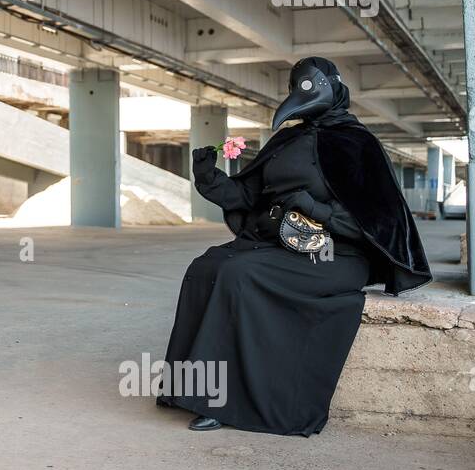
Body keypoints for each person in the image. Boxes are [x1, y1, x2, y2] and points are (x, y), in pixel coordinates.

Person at [157, 57, 431, 436]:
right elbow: (248, 195)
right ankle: (192, 387)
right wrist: (209, 178)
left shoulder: (359, 145)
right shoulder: (287, 140)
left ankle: (225, 403)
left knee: (240, 274)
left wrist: (318, 209)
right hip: (281, 243)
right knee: (206, 266)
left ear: (333, 89)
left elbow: (380, 221)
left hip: (337, 255)